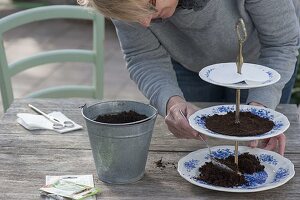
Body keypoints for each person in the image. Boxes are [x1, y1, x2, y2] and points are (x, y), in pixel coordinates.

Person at [79, 0, 300, 155]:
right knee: (197, 146)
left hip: (262, 61)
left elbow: (281, 43)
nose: (146, 23)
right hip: (189, 62)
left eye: (150, 5)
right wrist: (172, 102)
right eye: (136, 16)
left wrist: (261, 107)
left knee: (258, 148)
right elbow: (143, 56)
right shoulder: (125, 4)